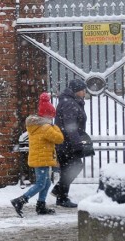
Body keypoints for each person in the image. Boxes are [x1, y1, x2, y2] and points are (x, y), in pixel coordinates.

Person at [10, 92, 64, 217]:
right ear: (47, 116)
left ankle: (41, 205)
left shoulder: (37, 125)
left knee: (47, 183)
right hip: (42, 159)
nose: (52, 119)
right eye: (52, 117)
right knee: (41, 183)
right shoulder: (46, 127)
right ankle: (20, 201)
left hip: (41, 157)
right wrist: (55, 126)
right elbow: (59, 138)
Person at [50, 79, 88, 208]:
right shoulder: (69, 104)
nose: (85, 92)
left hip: (66, 141)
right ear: (77, 91)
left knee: (68, 169)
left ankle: (61, 195)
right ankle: (60, 194)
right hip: (66, 143)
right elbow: (70, 126)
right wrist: (77, 144)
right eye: (83, 90)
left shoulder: (71, 101)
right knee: (74, 167)